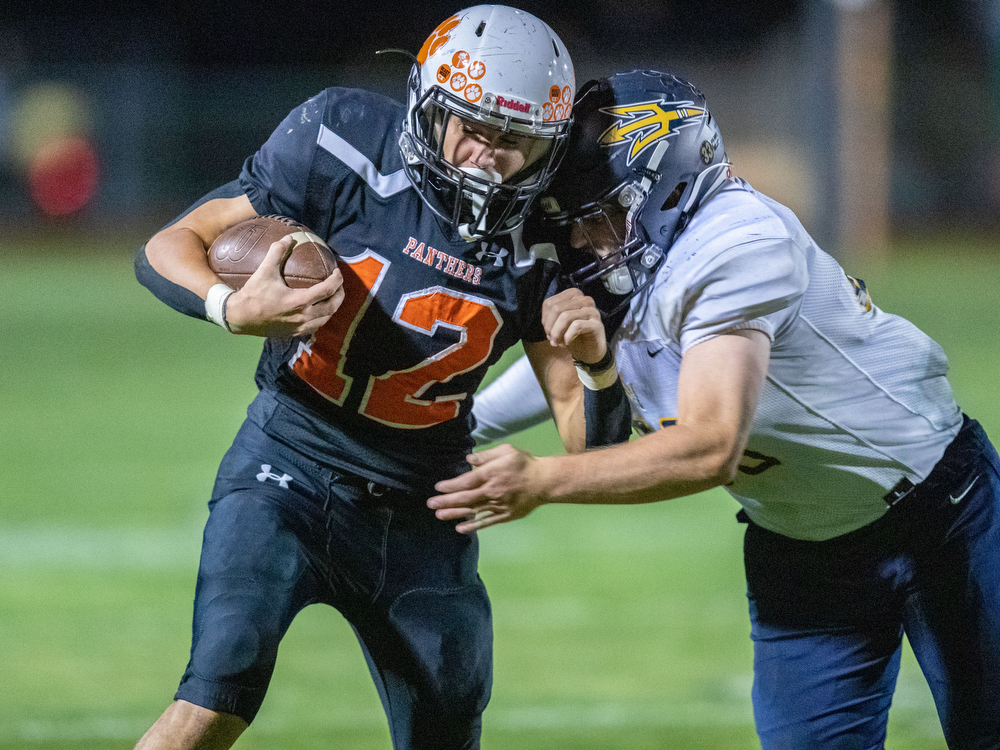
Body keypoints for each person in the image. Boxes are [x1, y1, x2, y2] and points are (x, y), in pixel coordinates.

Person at [436, 70, 1000, 748]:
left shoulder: (738, 240)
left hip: (942, 520)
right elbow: (621, 363)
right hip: (799, 552)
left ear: (668, 185)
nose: (584, 240)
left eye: (601, 214)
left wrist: (541, 481)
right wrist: (454, 418)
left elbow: (709, 445)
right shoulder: (632, 262)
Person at [132, 7, 584, 749]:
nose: (487, 156)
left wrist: (594, 359)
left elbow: (580, 425)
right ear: (431, 109)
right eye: (473, 127)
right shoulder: (342, 140)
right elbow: (170, 242)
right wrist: (231, 306)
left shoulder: (552, 233)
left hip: (422, 507)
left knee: (446, 734)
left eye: (516, 140)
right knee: (216, 694)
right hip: (290, 464)